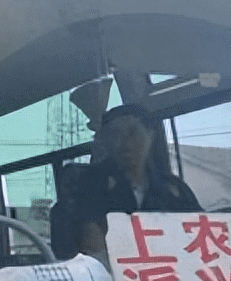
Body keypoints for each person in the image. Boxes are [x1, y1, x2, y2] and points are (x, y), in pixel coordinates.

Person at [74, 104, 201, 254]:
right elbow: (91, 243)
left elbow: (201, 235)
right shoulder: (90, 188)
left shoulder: (175, 189)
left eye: (133, 133)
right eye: (115, 135)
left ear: (150, 136)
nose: (125, 144)